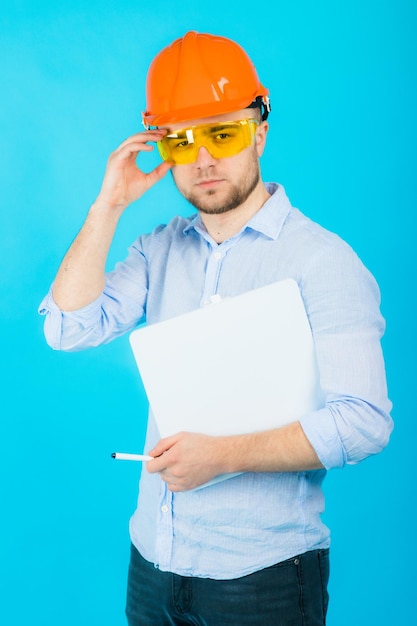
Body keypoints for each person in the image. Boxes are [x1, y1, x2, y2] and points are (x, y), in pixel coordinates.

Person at [39, 31, 393, 626]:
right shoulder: (158, 251)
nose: (203, 160)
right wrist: (109, 206)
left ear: (259, 131)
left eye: (221, 134)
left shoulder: (323, 261)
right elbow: (68, 329)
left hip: (263, 580)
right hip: (152, 565)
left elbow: (363, 423)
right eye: (181, 142)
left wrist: (225, 456)